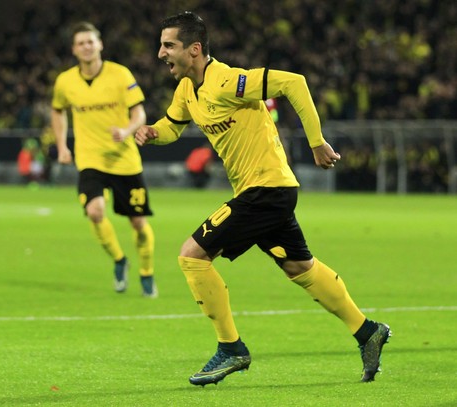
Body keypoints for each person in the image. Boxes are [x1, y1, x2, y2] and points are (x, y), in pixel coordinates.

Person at [134, 11, 390, 385]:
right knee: (300, 268)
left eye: (168, 45)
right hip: (266, 192)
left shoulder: (227, 80)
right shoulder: (187, 91)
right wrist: (152, 133)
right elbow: (172, 126)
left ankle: (230, 348)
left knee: (192, 255)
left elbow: (294, 82)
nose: (160, 53)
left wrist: (316, 142)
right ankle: (367, 331)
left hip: (265, 190)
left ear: (194, 49)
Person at [51, 22, 157, 298]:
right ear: (74, 50)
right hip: (90, 158)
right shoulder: (65, 81)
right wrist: (62, 145)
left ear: (100, 45)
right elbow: (58, 111)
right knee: (95, 211)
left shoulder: (120, 74)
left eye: (90, 41)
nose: (86, 46)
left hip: (124, 160)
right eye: (81, 43)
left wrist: (126, 131)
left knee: (138, 224)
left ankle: (146, 271)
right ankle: (120, 260)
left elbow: (140, 114)